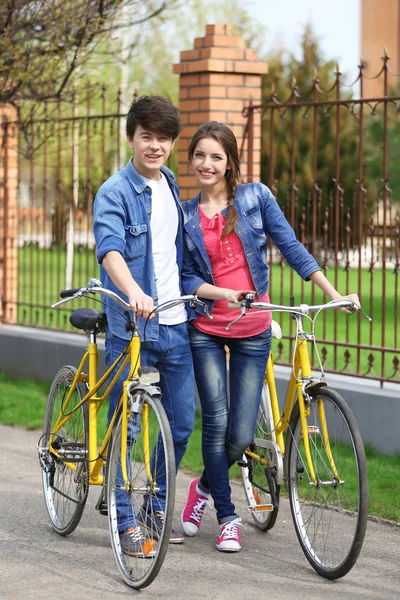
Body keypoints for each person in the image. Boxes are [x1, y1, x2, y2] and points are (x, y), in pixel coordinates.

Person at [179, 121, 361, 553]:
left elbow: (290, 245)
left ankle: (201, 488)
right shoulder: (185, 214)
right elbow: (186, 276)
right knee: (217, 421)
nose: (207, 164)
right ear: (190, 159)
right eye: (200, 155)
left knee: (241, 434)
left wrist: (333, 294)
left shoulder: (255, 197)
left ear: (230, 162)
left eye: (216, 157)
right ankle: (227, 517)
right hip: (206, 327)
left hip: (254, 329)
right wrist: (224, 293)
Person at [93, 95, 194, 554]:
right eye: (147, 136)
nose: (155, 146)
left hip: (175, 322)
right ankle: (123, 515)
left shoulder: (170, 182)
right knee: (124, 427)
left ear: (173, 143)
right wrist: (132, 290)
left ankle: (154, 504)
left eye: (164, 138)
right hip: (132, 325)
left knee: (181, 424)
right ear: (131, 137)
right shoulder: (114, 191)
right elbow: (110, 248)